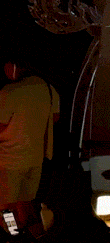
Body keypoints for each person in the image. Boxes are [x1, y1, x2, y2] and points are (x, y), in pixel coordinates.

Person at [0, 59, 60, 206]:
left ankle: (9, 222)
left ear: (14, 66)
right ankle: (22, 221)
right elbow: (54, 118)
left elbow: (1, 124)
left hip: (9, 162)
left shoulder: (9, 91)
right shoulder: (49, 89)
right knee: (26, 205)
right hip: (36, 160)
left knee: (6, 206)